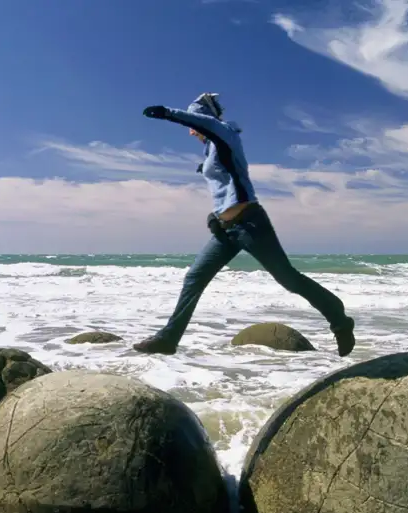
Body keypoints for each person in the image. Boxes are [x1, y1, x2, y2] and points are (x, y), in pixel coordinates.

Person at [133, 93, 356, 357]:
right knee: (194, 278)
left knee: (289, 279)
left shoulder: (224, 133)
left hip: (250, 224)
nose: (192, 132)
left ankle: (340, 320)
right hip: (226, 231)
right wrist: (215, 217)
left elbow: (208, 126)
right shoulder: (210, 149)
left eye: (195, 124)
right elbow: (223, 187)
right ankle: (168, 340)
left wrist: (169, 113)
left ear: (204, 118)